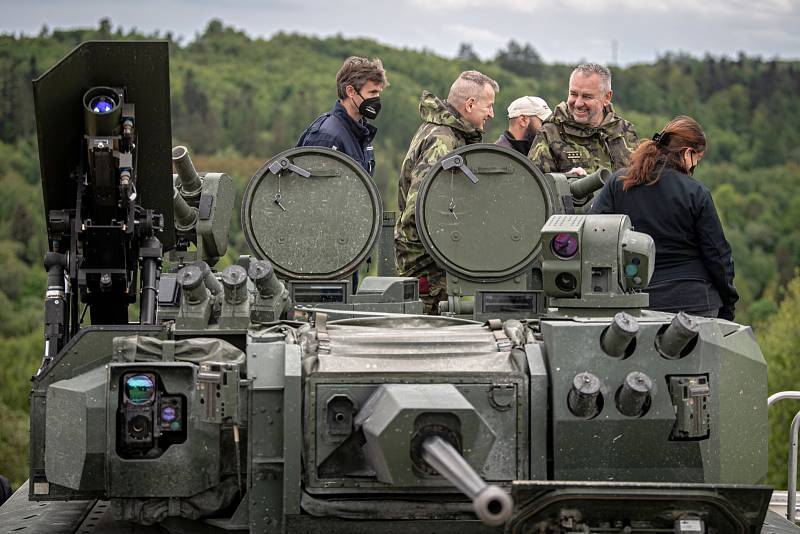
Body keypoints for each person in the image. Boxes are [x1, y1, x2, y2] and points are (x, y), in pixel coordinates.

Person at [589, 116, 738, 320]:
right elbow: (718, 257)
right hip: (694, 303)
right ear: (687, 153)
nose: (695, 166)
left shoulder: (618, 183)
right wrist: (728, 304)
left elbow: (593, 236)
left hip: (633, 302)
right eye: (697, 159)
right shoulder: (696, 193)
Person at [395, 70, 499, 314]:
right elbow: (418, 210)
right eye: (489, 106)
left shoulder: (443, 132)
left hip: (436, 262)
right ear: (470, 105)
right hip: (430, 269)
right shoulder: (443, 141)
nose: (492, 114)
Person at [528, 63, 638, 176]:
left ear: (607, 97)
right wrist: (566, 181)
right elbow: (533, 186)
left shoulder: (624, 131)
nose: (578, 103)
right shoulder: (550, 133)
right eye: (573, 94)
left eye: (587, 96)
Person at [296, 56, 388, 176]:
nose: (377, 99)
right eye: (372, 92)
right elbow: (312, 191)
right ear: (350, 91)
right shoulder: (327, 137)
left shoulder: (361, 133)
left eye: (378, 93)